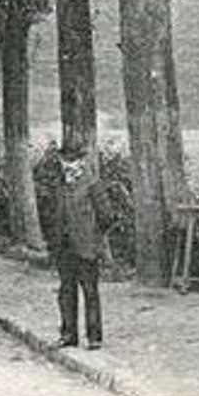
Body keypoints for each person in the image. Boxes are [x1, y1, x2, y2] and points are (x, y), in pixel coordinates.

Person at [40, 144, 115, 350]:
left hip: (86, 246)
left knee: (90, 292)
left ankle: (94, 337)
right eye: (65, 161)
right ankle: (68, 335)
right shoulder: (58, 185)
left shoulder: (92, 184)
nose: (68, 165)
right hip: (64, 248)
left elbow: (107, 215)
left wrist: (93, 235)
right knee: (66, 292)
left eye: (73, 161)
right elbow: (50, 213)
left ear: (81, 162)